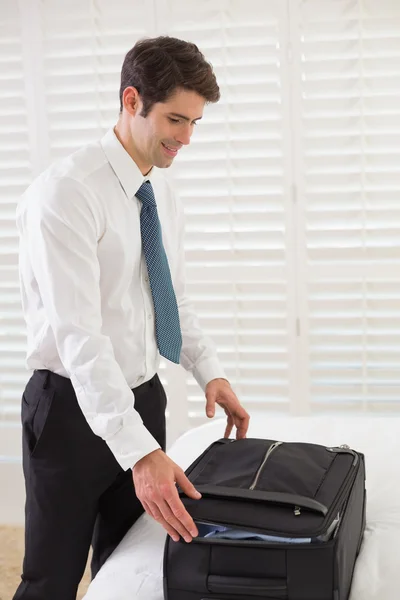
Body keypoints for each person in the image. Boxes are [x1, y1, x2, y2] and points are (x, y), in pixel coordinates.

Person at [13, 35, 250, 600]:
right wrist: (140, 453)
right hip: (71, 411)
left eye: (195, 122)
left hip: (143, 400)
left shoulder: (160, 193)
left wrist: (209, 371)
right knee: (51, 578)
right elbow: (80, 340)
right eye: (175, 119)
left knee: (131, 572)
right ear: (130, 100)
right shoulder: (66, 193)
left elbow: (170, 298)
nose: (186, 138)